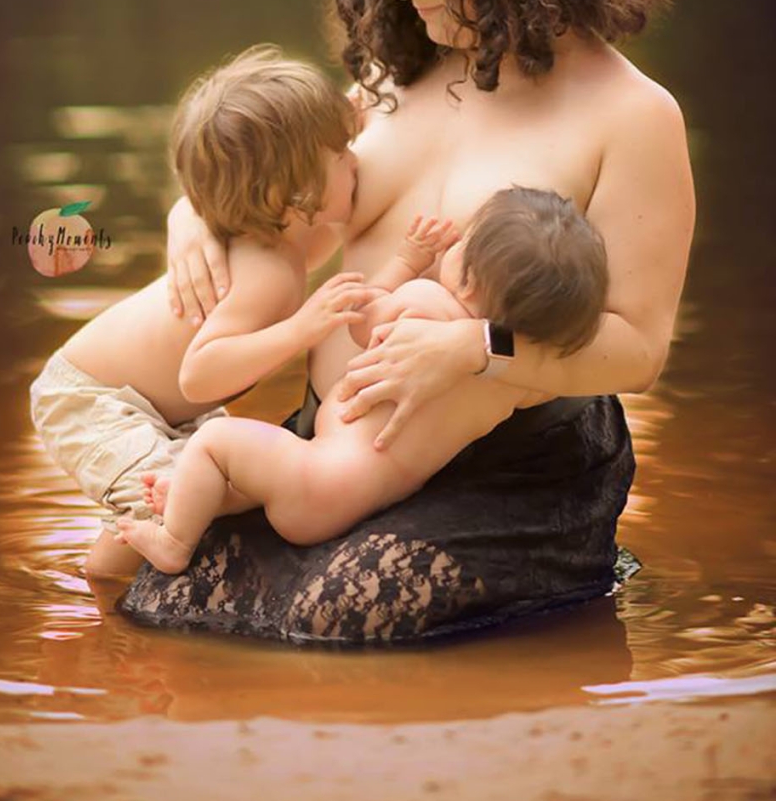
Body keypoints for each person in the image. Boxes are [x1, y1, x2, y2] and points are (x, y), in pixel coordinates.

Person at [119, 0, 695, 646]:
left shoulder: (631, 115)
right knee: (164, 592)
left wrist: (478, 347)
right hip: (338, 445)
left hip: (506, 467)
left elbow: (638, 351)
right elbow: (274, 179)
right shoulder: (395, 80)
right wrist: (195, 218)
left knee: (342, 614)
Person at [116, 187, 608, 571]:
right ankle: (209, 500)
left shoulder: (427, 304)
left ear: (470, 278)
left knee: (215, 439)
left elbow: (362, 320)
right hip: (370, 499)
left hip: (317, 475)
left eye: (463, 243)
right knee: (252, 473)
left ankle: (174, 542)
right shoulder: (512, 379)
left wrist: (407, 263)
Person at [29, 47, 364, 578]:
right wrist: (301, 330)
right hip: (93, 400)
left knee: (194, 487)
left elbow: (336, 219)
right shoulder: (266, 270)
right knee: (174, 506)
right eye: (340, 152)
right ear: (293, 188)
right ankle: (111, 585)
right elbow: (201, 371)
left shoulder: (288, 235)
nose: (357, 159)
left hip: (157, 404)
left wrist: (349, 117)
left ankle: (101, 590)